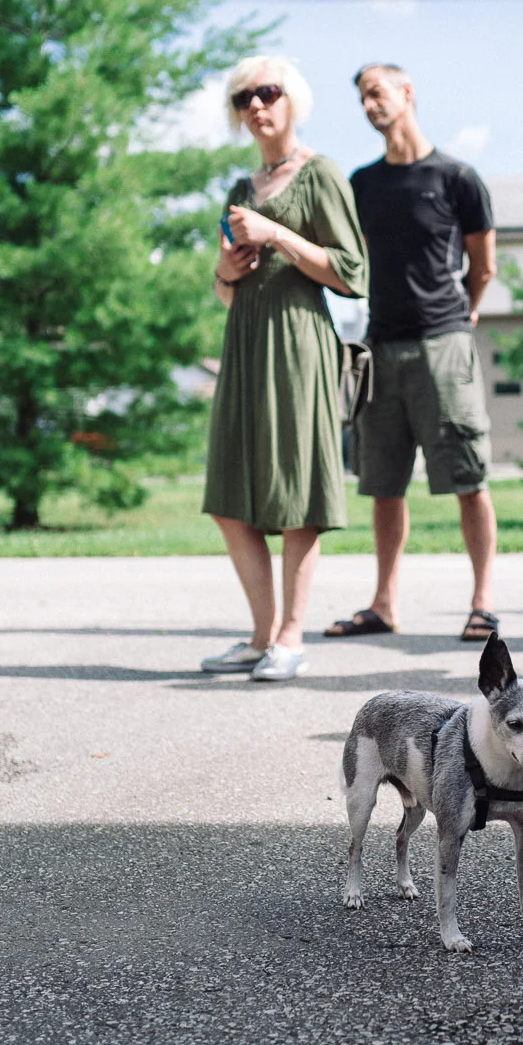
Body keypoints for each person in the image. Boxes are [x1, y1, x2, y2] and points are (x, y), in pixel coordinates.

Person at [201, 56, 369, 682]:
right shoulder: (239, 191)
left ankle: (292, 638)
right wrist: (226, 270)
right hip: (243, 342)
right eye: (244, 98)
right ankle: (259, 636)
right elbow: (225, 291)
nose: (256, 106)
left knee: (297, 492)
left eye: (267, 93)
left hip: (299, 345)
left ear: (291, 99)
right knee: (229, 495)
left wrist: (276, 234)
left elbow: (353, 273)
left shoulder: (321, 173)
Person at [325, 63, 501, 643]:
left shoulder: (457, 178)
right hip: (381, 347)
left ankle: (482, 602)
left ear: (407, 93)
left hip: (443, 345)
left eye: (376, 92)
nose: (369, 104)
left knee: (467, 477)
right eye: (362, 98)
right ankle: (383, 604)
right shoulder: (363, 184)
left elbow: (484, 265)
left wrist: (464, 316)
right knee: (383, 484)